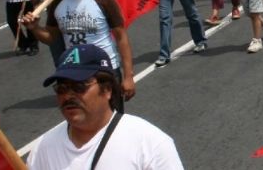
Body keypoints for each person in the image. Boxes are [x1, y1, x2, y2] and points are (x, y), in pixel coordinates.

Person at [28, 44, 183, 170]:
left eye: (79, 86)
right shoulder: (42, 149)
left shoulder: (150, 144)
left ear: (107, 89)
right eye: (61, 88)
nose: (68, 96)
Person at [22, 0, 137, 107]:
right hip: (74, 73)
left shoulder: (103, 0)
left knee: (112, 123)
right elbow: (50, 37)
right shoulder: (56, 3)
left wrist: (128, 76)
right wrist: (34, 28)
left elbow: (121, 37)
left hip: (104, 71)